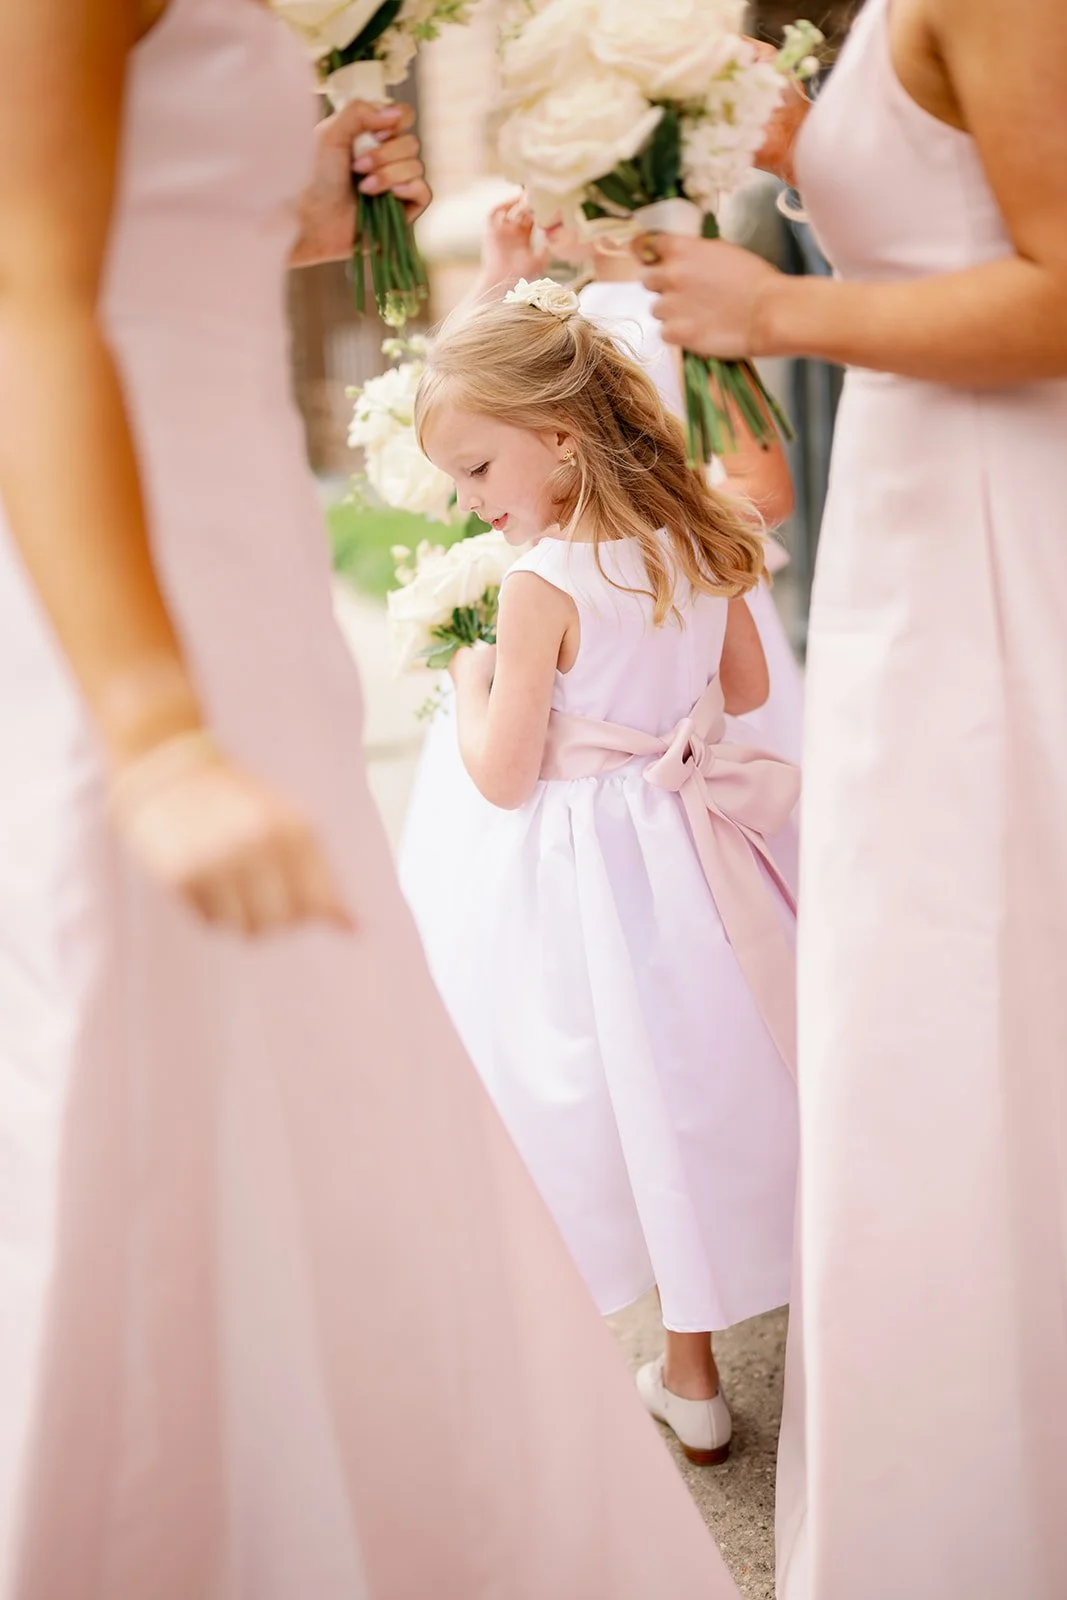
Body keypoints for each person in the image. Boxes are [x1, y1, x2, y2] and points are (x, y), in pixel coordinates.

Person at [0, 4, 752, 1595]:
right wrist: (150, 728)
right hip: (129, 572)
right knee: (140, 1060)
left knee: (298, 1077)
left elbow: (155, 228)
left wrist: (305, 200)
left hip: (238, 543)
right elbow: (27, 295)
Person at [637, 1, 1067, 1596]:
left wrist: (778, 311)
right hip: (913, 515)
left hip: (992, 517)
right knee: (930, 1003)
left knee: (981, 978)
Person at [414, 284, 800, 1466]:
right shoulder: (697, 534)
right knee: (690, 1076)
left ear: (561, 439)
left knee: (610, 1088)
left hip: (584, 874)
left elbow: (502, 776)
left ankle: (670, 1375)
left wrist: (472, 683)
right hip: (684, 853)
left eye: (478, 470)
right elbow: (740, 693)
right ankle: (696, 1354)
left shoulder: (540, 588)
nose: (472, 502)